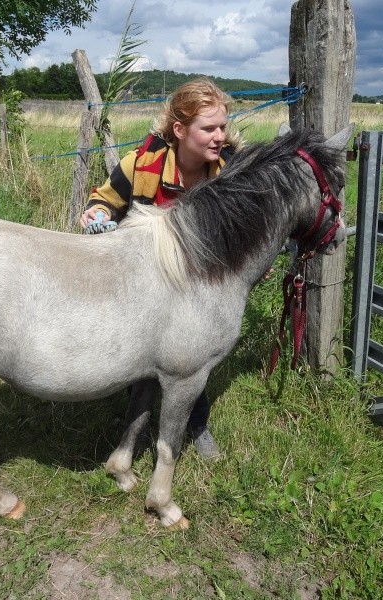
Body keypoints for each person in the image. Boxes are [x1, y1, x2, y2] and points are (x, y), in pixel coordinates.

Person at [79, 77, 239, 460]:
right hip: (143, 281)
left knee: (192, 355)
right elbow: (104, 200)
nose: (219, 137)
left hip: (202, 283)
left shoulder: (231, 173)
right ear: (180, 130)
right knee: (143, 359)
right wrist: (97, 214)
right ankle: (136, 416)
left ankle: (195, 422)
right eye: (209, 128)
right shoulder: (141, 164)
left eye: (223, 126)